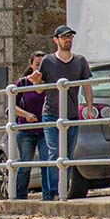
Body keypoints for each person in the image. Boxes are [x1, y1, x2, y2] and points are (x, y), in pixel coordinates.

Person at [39, 26, 92, 201]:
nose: (67, 40)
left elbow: (86, 84)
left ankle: (63, 191)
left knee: (68, 155)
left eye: (70, 37)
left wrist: (90, 107)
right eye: (64, 37)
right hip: (51, 113)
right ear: (56, 40)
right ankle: (53, 193)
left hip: (71, 114)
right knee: (55, 153)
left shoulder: (80, 61)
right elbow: (40, 88)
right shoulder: (47, 61)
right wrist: (35, 80)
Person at [10, 54, 46, 200]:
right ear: (31, 65)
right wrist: (26, 114)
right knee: (25, 164)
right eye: (37, 64)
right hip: (26, 130)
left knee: (47, 162)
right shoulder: (23, 83)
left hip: (45, 129)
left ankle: (49, 194)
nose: (39, 68)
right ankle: (20, 196)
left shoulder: (49, 83)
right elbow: (12, 105)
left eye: (42, 65)